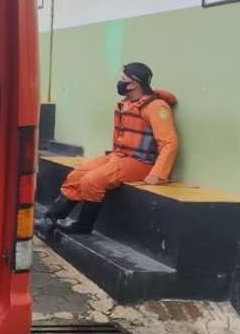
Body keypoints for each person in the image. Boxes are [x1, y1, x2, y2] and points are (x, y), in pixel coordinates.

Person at [48, 61, 178, 234]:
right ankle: (51, 218)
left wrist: (158, 174)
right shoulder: (126, 104)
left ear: (133, 83)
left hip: (141, 162)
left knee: (92, 181)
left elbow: (169, 143)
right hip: (119, 156)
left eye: (123, 79)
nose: (120, 82)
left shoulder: (156, 107)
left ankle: (83, 226)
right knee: (77, 175)